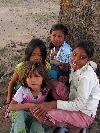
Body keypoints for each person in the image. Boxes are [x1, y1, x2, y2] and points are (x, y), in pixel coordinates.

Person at [32, 40, 100, 133]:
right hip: (73, 99)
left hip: (83, 114)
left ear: (88, 60)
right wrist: (66, 81)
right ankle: (64, 116)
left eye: (82, 57)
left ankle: (74, 127)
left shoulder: (86, 78)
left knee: (41, 115)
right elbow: (75, 84)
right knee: (52, 83)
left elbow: (79, 104)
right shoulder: (76, 65)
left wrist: (54, 104)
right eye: (74, 54)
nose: (76, 59)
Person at [5, 38, 57, 110]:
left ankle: (45, 99)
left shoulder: (46, 66)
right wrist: (8, 101)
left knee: (53, 74)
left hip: (39, 88)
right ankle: (22, 103)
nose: (36, 58)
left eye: (39, 55)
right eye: (33, 55)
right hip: (22, 88)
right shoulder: (21, 67)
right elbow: (12, 83)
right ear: (28, 55)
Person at [8, 61, 52, 133]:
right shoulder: (23, 90)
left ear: (43, 78)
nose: (33, 80)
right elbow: (11, 107)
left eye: (37, 76)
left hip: (32, 116)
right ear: (25, 79)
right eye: (30, 77)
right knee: (20, 115)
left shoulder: (45, 90)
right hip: (18, 113)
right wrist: (28, 105)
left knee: (37, 126)